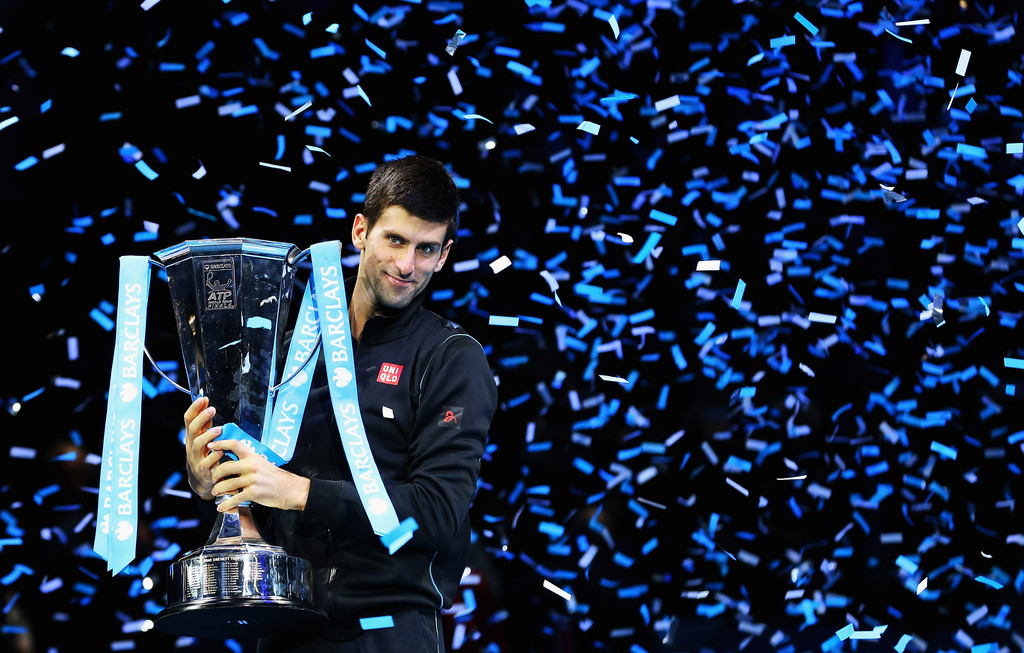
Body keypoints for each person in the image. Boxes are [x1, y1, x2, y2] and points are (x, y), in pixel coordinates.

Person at [180, 155, 498, 652]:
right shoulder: (290, 346)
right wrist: (212, 478)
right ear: (359, 231)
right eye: (395, 240)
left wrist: (302, 493)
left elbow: (437, 513)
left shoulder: (451, 358)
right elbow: (260, 486)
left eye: (426, 249)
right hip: (285, 627)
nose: (406, 265)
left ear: (445, 254)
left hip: (388, 634)